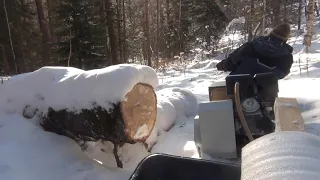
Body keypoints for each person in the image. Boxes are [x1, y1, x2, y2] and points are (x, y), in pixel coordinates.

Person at [216, 23, 294, 79]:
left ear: (271, 33)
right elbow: (282, 74)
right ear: (286, 39)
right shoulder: (286, 56)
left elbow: (232, 61)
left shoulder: (252, 45)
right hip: (267, 92)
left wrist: (221, 65)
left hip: (238, 86)